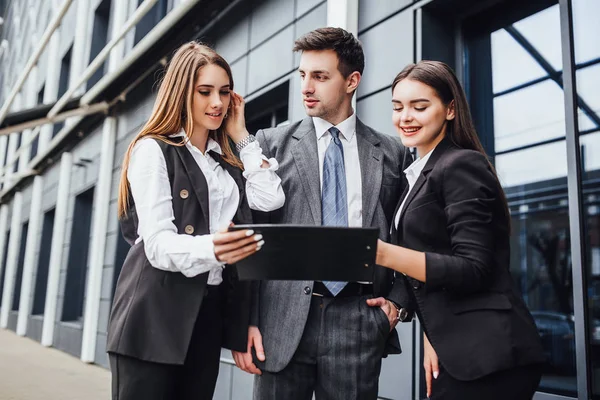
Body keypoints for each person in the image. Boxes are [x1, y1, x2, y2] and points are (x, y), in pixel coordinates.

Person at [231, 27, 411, 400]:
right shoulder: (270, 144)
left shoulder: (392, 152)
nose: (306, 87)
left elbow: (406, 233)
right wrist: (244, 322)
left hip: (359, 320)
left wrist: (397, 303)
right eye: (302, 75)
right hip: (279, 324)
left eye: (320, 76)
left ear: (352, 81)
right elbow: (248, 236)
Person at [106, 41, 285, 400]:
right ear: (181, 92)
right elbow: (156, 245)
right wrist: (216, 247)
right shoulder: (153, 150)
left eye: (224, 92)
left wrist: (241, 137)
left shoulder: (226, 164)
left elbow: (270, 199)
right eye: (205, 92)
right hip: (154, 315)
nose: (217, 103)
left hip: (206, 317)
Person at [375, 60, 546, 400]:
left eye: (419, 106)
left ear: (450, 109)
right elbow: (438, 257)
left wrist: (381, 253)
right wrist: (407, 312)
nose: (405, 117)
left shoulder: (460, 164)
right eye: (398, 107)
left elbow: (475, 268)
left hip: (490, 354)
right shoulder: (417, 173)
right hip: (457, 350)